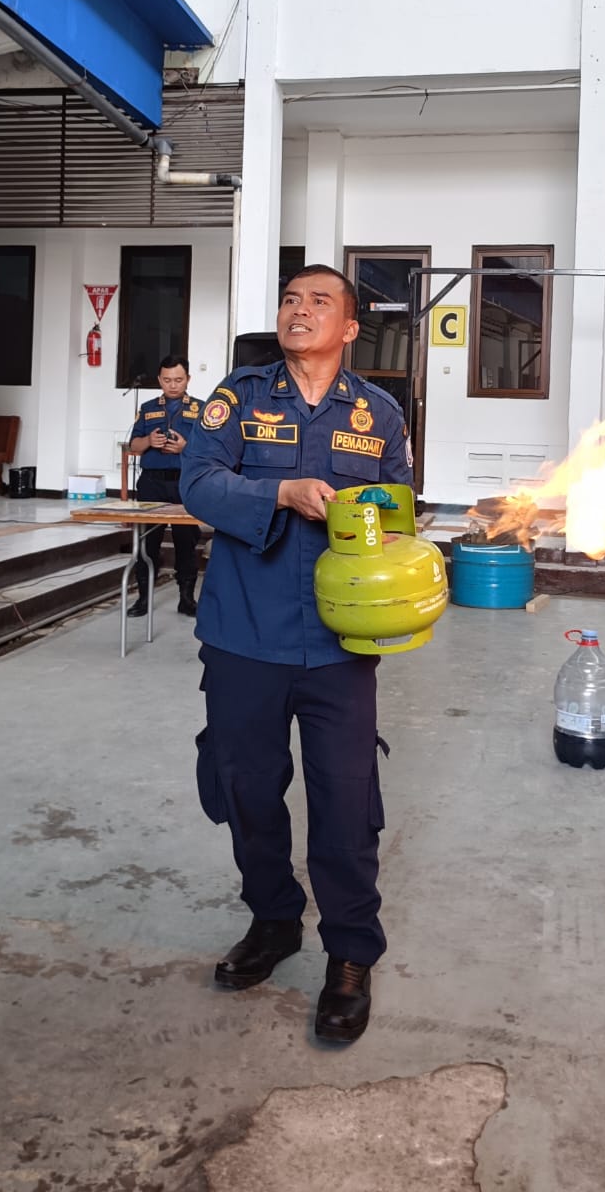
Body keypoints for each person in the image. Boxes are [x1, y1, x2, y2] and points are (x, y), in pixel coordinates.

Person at [180, 265, 413, 1043]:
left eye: (319, 302)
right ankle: (274, 921)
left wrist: (409, 570)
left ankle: (350, 955)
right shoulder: (239, 397)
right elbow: (197, 483)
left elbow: (400, 512)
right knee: (247, 789)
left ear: (351, 328)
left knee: (347, 805)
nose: (298, 311)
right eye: (289, 300)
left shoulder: (378, 414)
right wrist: (277, 494)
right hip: (244, 634)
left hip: (341, 645)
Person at [127, 355, 203, 618]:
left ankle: (186, 599)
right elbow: (133, 447)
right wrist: (149, 440)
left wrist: (185, 447)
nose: (173, 385)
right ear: (159, 380)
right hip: (152, 483)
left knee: (186, 541)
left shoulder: (202, 409)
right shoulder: (148, 408)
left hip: (184, 483)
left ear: (188, 379)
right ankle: (143, 599)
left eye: (178, 380)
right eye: (167, 380)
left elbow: (210, 451)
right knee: (147, 541)